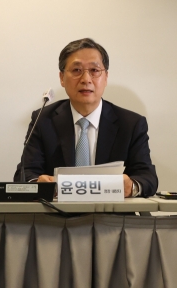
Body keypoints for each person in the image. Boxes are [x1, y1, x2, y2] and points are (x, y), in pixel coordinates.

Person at [14, 38, 158, 197]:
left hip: (112, 218)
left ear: (106, 77)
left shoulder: (131, 124)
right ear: (62, 78)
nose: (86, 79)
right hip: (56, 218)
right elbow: (25, 174)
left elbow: (147, 177)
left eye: (95, 71)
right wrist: (37, 185)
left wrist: (132, 186)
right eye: (76, 70)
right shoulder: (43, 119)